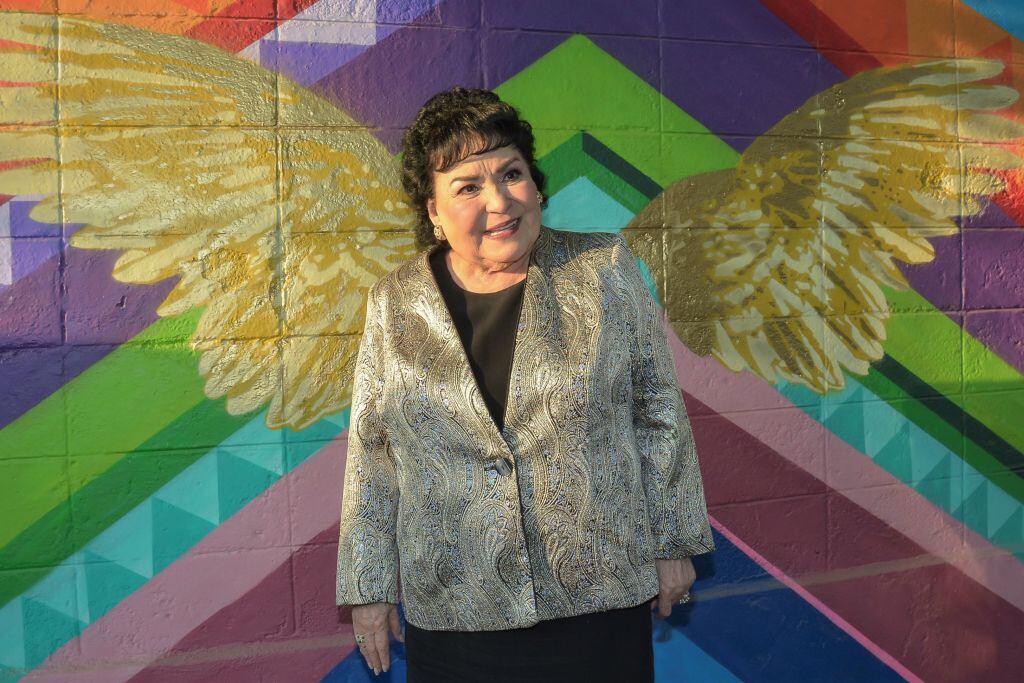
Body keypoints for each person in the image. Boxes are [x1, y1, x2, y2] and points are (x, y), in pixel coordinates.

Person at [335, 87, 715, 681]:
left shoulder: (604, 269)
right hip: (456, 609)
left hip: (596, 598)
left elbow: (657, 409)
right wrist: (369, 583)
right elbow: (374, 452)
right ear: (433, 212)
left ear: (535, 184)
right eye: (467, 187)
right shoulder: (394, 302)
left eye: (511, 174)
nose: (500, 200)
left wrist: (673, 541)